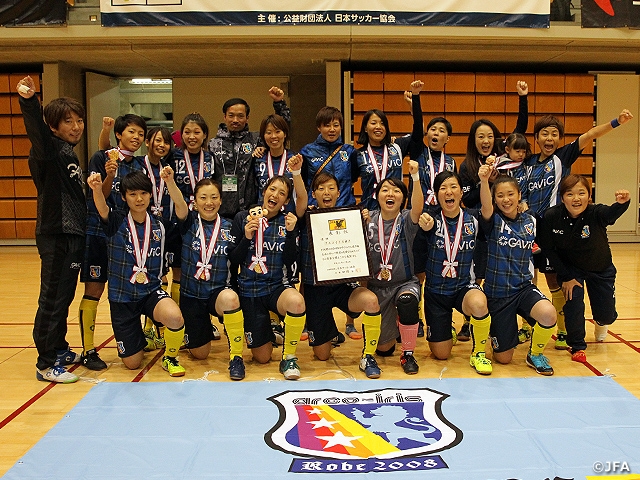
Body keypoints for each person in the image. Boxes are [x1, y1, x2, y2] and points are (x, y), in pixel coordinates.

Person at [525, 109, 634, 350]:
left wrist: (616, 121)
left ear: (560, 139)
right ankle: (527, 324)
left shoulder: (563, 156)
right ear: (536, 138)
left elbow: (591, 134)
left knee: (556, 279)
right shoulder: (528, 163)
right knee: (526, 276)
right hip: (530, 230)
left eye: (554, 134)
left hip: (556, 228)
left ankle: (564, 329)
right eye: (544, 133)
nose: (549, 138)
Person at [17, 76, 86, 383]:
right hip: (56, 233)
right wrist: (30, 102)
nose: (76, 126)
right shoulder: (47, 150)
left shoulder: (67, 152)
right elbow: (37, 131)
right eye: (68, 121)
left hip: (72, 235)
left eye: (79, 120)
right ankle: (45, 363)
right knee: (52, 299)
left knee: (65, 296)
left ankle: (58, 347)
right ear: (53, 127)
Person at [87, 171, 187, 377]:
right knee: (132, 363)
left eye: (144, 193)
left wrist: (170, 183)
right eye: (132, 194)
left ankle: (170, 358)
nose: (139, 199)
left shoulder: (160, 225)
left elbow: (183, 211)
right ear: (124, 197)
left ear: (151, 195)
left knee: (175, 317)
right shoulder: (116, 221)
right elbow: (102, 208)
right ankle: (137, 338)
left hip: (150, 293)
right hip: (122, 298)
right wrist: (97, 189)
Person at [456, 80, 529, 342]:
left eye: (489, 136)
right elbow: (467, 198)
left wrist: (523, 97)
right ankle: (469, 320)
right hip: (477, 225)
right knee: (475, 272)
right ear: (473, 140)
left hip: (504, 226)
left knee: (506, 272)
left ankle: (515, 320)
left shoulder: (502, 155)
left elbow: (520, 131)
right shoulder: (466, 166)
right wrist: (483, 180)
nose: (485, 140)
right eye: (480, 136)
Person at [294, 165, 383, 378]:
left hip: (343, 285)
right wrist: (297, 173)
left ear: (338, 192)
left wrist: (361, 223)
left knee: (370, 301)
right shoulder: (305, 216)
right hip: (316, 290)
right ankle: (329, 332)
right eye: (321, 188)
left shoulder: (351, 215)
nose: (327, 192)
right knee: (322, 355)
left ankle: (368, 356)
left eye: (331, 188)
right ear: (313, 194)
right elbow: (300, 199)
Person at [161, 169, 247, 380]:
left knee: (231, 299)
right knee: (200, 355)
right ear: (195, 202)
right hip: (192, 296)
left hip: (217, 293)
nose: (209, 202)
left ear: (220, 200)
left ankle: (236, 357)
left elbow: (237, 256)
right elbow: (179, 204)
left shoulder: (229, 227)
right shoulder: (188, 223)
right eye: (203, 198)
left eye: (214, 197)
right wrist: (170, 181)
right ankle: (201, 331)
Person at [79, 114, 148, 371]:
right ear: (120, 134)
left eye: (140, 134)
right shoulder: (102, 158)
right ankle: (88, 350)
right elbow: (101, 195)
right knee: (94, 289)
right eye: (132, 132)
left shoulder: (140, 164)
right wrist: (110, 174)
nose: (136, 137)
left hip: (126, 238)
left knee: (133, 286)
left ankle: (140, 337)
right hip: (99, 232)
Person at [538, 174, 630, 363]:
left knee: (606, 315)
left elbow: (611, 213)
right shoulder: (552, 216)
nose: (576, 198)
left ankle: (601, 322)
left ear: (589, 196)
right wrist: (565, 276)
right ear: (562, 197)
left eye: (581, 193)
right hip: (571, 270)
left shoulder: (596, 213)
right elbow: (548, 249)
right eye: (570, 194)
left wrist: (623, 203)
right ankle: (577, 345)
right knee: (573, 303)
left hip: (600, 268)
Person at [479, 163, 557, 375]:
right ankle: (497, 331)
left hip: (523, 289)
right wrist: (485, 181)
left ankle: (536, 354)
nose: (506, 199)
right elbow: (485, 206)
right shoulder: (493, 220)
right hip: (497, 295)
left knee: (549, 314)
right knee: (504, 359)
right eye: (501, 195)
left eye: (510, 194)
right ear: (495, 199)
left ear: (519, 195)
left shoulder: (531, 220)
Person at [413, 171, 493, 374]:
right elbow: (418, 253)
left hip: (463, 288)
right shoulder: (430, 220)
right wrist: (423, 230)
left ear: (461, 192)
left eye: (453, 187)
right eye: (443, 188)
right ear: (437, 195)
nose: (449, 192)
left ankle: (479, 353)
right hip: (436, 293)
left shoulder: (473, 219)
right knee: (441, 354)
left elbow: (488, 208)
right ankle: (446, 328)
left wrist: (483, 180)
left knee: (479, 303)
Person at [228, 176, 305, 380]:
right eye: (272, 190)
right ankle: (269, 331)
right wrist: (246, 237)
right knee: (262, 357)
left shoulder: (287, 220)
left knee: (297, 303)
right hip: (250, 290)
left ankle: (289, 357)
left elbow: (290, 260)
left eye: (282, 194)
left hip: (277, 286)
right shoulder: (242, 218)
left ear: (286, 201)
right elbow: (233, 258)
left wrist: (290, 234)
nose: (275, 195)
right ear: (264, 192)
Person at [364, 161, 425, 374]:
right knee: (383, 350)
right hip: (377, 288)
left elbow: (418, 206)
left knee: (407, 302)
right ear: (377, 196)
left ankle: (408, 353)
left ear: (402, 198)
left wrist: (415, 177)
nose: (391, 194)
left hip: (404, 283)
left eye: (397, 190)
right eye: (385, 189)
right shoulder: (367, 219)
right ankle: (399, 328)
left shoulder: (407, 218)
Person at [209, 87, 290, 220]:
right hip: (221, 211)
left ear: (247, 118)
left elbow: (281, 127)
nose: (235, 120)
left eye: (240, 116)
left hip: (251, 211)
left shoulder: (256, 140)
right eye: (231, 115)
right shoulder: (213, 144)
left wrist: (279, 103)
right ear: (224, 116)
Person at [352, 80, 424, 211]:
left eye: (382, 123)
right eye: (374, 123)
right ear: (365, 128)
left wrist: (415, 99)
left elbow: (419, 133)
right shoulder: (358, 155)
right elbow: (347, 183)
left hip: (396, 212)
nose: (378, 127)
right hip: (370, 213)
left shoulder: (397, 147)